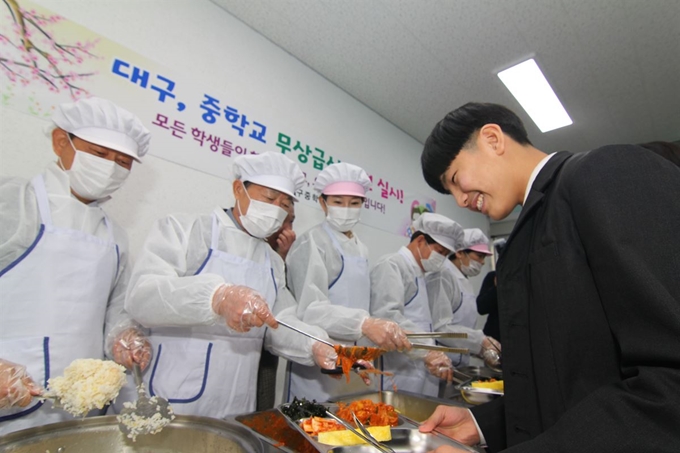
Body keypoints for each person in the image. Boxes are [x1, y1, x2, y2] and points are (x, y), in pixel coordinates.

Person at [419, 102, 680, 452]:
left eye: (454, 180)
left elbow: (668, 384)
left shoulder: (602, 172)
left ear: (493, 139)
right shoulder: (527, 233)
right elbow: (571, 381)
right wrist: (484, 424)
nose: (461, 199)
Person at [122, 152, 337, 418]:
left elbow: (280, 321)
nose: (276, 210)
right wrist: (216, 298)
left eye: (284, 204)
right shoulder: (185, 230)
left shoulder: (271, 260)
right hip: (171, 394)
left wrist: (314, 345)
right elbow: (142, 296)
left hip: (236, 397)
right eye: (269, 198)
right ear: (238, 189)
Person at [0, 97, 153, 434]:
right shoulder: (11, 203)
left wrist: (122, 336)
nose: (111, 167)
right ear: (60, 141)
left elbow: (113, 309)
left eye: (123, 161)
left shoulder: (116, 236)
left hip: (79, 413)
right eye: (99, 154)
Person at [286, 163, 411, 402]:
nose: (347, 209)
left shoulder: (360, 248)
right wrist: (363, 323)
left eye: (354, 203)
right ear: (322, 203)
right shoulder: (312, 243)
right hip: (320, 365)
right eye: (338, 202)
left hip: (357, 361)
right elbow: (310, 310)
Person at [370, 212, 462, 397]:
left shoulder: (420, 273)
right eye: (440, 252)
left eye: (446, 255)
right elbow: (388, 318)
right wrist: (428, 351)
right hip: (397, 374)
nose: (442, 259)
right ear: (420, 241)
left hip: (419, 373)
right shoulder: (392, 265)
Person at [425, 228, 501, 368]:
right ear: (460, 253)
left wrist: (480, 350)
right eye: (479, 256)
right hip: (439, 364)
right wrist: (480, 341)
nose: (483, 262)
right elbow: (441, 328)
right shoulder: (442, 276)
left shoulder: (463, 281)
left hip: (458, 363)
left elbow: (463, 324)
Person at [476, 239, 506, 342]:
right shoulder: (492, 277)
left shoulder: (526, 278)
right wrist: (497, 287)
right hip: (494, 338)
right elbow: (481, 308)